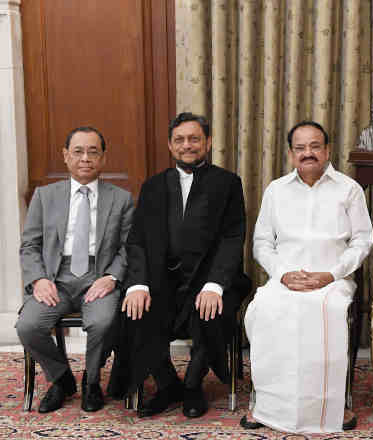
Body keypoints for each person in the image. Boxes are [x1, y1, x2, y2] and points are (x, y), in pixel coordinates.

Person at [240, 121, 373, 433]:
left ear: (327, 151)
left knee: (323, 312)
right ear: (290, 154)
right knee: (263, 310)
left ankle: (330, 408)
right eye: (300, 148)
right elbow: (262, 243)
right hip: (286, 279)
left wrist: (331, 274)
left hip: (333, 280)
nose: (307, 153)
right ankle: (267, 406)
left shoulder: (348, 189)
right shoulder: (276, 190)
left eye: (315, 146)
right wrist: (283, 275)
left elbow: (363, 241)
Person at [118, 112, 251, 418]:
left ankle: (193, 385)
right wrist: (137, 284)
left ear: (208, 142)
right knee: (134, 312)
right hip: (163, 279)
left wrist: (215, 285)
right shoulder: (153, 186)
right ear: (170, 145)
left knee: (212, 312)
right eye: (180, 140)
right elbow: (136, 239)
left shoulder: (228, 183)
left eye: (194, 139)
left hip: (212, 280)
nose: (187, 145)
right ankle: (168, 385)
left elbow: (233, 238)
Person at [17, 126, 134, 413]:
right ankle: (61, 379)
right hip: (56, 277)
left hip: (99, 276)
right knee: (28, 326)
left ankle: (91, 383)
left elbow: (129, 247)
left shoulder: (121, 199)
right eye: (78, 151)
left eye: (93, 152)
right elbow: (29, 245)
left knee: (104, 323)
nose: (85, 158)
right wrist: (39, 279)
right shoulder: (45, 197)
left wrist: (111, 277)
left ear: (103, 158)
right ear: (66, 156)